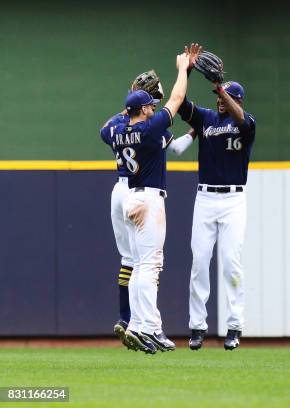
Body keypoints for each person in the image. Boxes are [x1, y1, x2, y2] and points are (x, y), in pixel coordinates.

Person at [100, 52, 191, 354]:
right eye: (149, 105)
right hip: (148, 197)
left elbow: (107, 128)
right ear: (142, 109)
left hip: (128, 196)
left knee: (138, 264)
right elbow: (177, 99)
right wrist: (182, 69)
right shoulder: (151, 130)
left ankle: (136, 325)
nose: (154, 107)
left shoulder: (120, 130)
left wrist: (131, 104)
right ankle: (149, 327)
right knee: (150, 267)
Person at [178, 77, 257, 351]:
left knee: (230, 262)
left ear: (237, 100)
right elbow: (181, 105)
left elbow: (242, 119)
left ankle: (234, 326)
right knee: (199, 261)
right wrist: (184, 73)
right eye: (218, 98)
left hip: (234, 199)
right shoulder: (206, 118)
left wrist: (224, 90)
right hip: (206, 197)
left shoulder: (246, 123)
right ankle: (198, 327)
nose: (220, 102)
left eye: (225, 98)